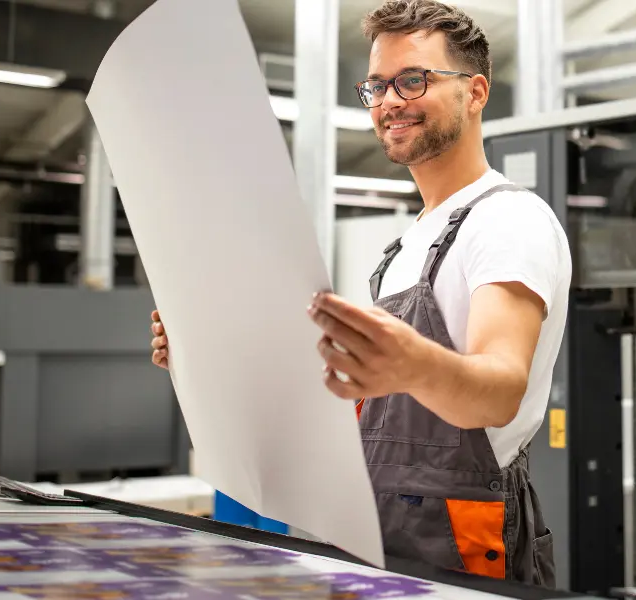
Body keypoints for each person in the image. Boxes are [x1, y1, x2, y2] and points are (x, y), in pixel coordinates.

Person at [152, 0, 569, 587]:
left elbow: (498, 390)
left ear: (475, 92)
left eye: (413, 79)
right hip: (374, 528)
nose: (389, 101)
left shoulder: (507, 221)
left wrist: (412, 363)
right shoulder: (404, 248)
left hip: (459, 535)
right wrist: (208, 358)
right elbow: (362, 406)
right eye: (377, 86)